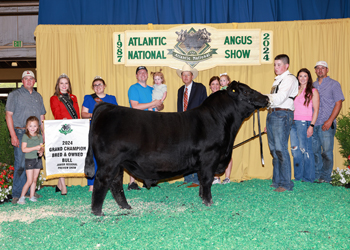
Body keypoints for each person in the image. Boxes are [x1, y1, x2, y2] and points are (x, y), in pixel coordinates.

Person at [5, 70, 46, 204]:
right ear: (22, 81)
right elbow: (8, 115)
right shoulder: (14, 95)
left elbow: (42, 117)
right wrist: (13, 135)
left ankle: (30, 192)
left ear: (34, 81)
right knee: (21, 164)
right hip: (21, 132)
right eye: (26, 79)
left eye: (31, 79)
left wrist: (43, 134)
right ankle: (17, 194)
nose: (29, 81)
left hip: (36, 134)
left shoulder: (38, 96)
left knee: (34, 164)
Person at [127, 66, 164, 190]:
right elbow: (135, 106)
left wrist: (158, 105)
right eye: (140, 73)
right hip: (138, 123)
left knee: (152, 152)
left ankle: (149, 180)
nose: (142, 74)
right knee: (136, 152)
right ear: (136, 76)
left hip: (152, 123)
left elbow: (160, 106)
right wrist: (153, 103)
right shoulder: (133, 88)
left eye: (144, 72)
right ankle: (132, 182)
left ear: (147, 75)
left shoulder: (153, 88)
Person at [266, 54, 298, 192]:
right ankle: (277, 181)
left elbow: (280, 97)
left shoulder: (289, 79)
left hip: (282, 114)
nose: (276, 67)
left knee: (280, 149)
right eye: (275, 65)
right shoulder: (277, 81)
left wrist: (263, 97)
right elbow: (273, 100)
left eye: (279, 65)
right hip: (273, 114)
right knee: (274, 150)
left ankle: (286, 184)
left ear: (286, 66)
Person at [81, 76, 118, 192]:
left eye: (100, 84)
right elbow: (83, 114)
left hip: (109, 132)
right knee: (94, 157)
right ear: (93, 87)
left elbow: (116, 113)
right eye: (95, 85)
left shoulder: (112, 98)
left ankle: (107, 183)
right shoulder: (88, 98)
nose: (98, 87)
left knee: (109, 158)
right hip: (95, 131)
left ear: (104, 86)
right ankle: (92, 185)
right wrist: (96, 115)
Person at [312, 61, 345, 183]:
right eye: (318, 68)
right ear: (315, 70)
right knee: (315, 151)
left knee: (326, 152)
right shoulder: (312, 85)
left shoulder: (334, 84)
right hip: (314, 123)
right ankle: (317, 176)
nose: (320, 70)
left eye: (323, 68)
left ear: (327, 70)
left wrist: (330, 121)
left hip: (326, 123)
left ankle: (325, 177)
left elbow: (339, 103)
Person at [176, 64, 207, 188]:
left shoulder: (200, 88)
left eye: (188, 74)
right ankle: (187, 177)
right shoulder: (180, 90)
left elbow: (204, 106)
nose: (185, 77)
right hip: (183, 124)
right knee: (185, 151)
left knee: (196, 151)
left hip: (196, 123)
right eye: (183, 75)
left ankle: (198, 180)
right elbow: (180, 109)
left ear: (192, 76)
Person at [50, 73, 80, 195]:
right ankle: (63, 187)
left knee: (70, 155)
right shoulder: (54, 98)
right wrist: (64, 122)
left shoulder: (74, 97)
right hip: (62, 129)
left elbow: (77, 114)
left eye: (66, 83)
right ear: (58, 85)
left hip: (73, 130)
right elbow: (57, 114)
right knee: (62, 156)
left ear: (69, 85)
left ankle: (58, 184)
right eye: (61, 83)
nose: (63, 85)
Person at [290, 68, 319, 183]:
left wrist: (311, 125)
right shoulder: (294, 90)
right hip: (292, 123)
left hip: (304, 122)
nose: (302, 78)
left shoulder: (313, 91)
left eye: (305, 76)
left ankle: (308, 178)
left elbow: (316, 110)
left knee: (306, 150)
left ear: (308, 78)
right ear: (297, 78)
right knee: (295, 150)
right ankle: (298, 177)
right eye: (300, 76)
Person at [209, 76, 233, 185]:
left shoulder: (225, 96)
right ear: (210, 86)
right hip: (213, 128)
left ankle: (227, 177)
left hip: (225, 127)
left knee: (227, 152)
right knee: (215, 153)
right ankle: (216, 177)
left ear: (221, 85)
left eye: (217, 84)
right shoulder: (208, 98)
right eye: (213, 84)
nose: (215, 86)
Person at [17, 116, 44, 204]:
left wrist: (41, 151)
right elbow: (24, 149)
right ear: (27, 127)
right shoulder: (25, 136)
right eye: (30, 126)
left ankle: (32, 196)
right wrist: (35, 148)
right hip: (29, 160)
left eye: (35, 126)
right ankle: (21, 198)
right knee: (29, 180)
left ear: (38, 127)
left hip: (38, 160)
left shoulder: (40, 136)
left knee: (35, 179)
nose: (32, 128)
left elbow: (41, 148)